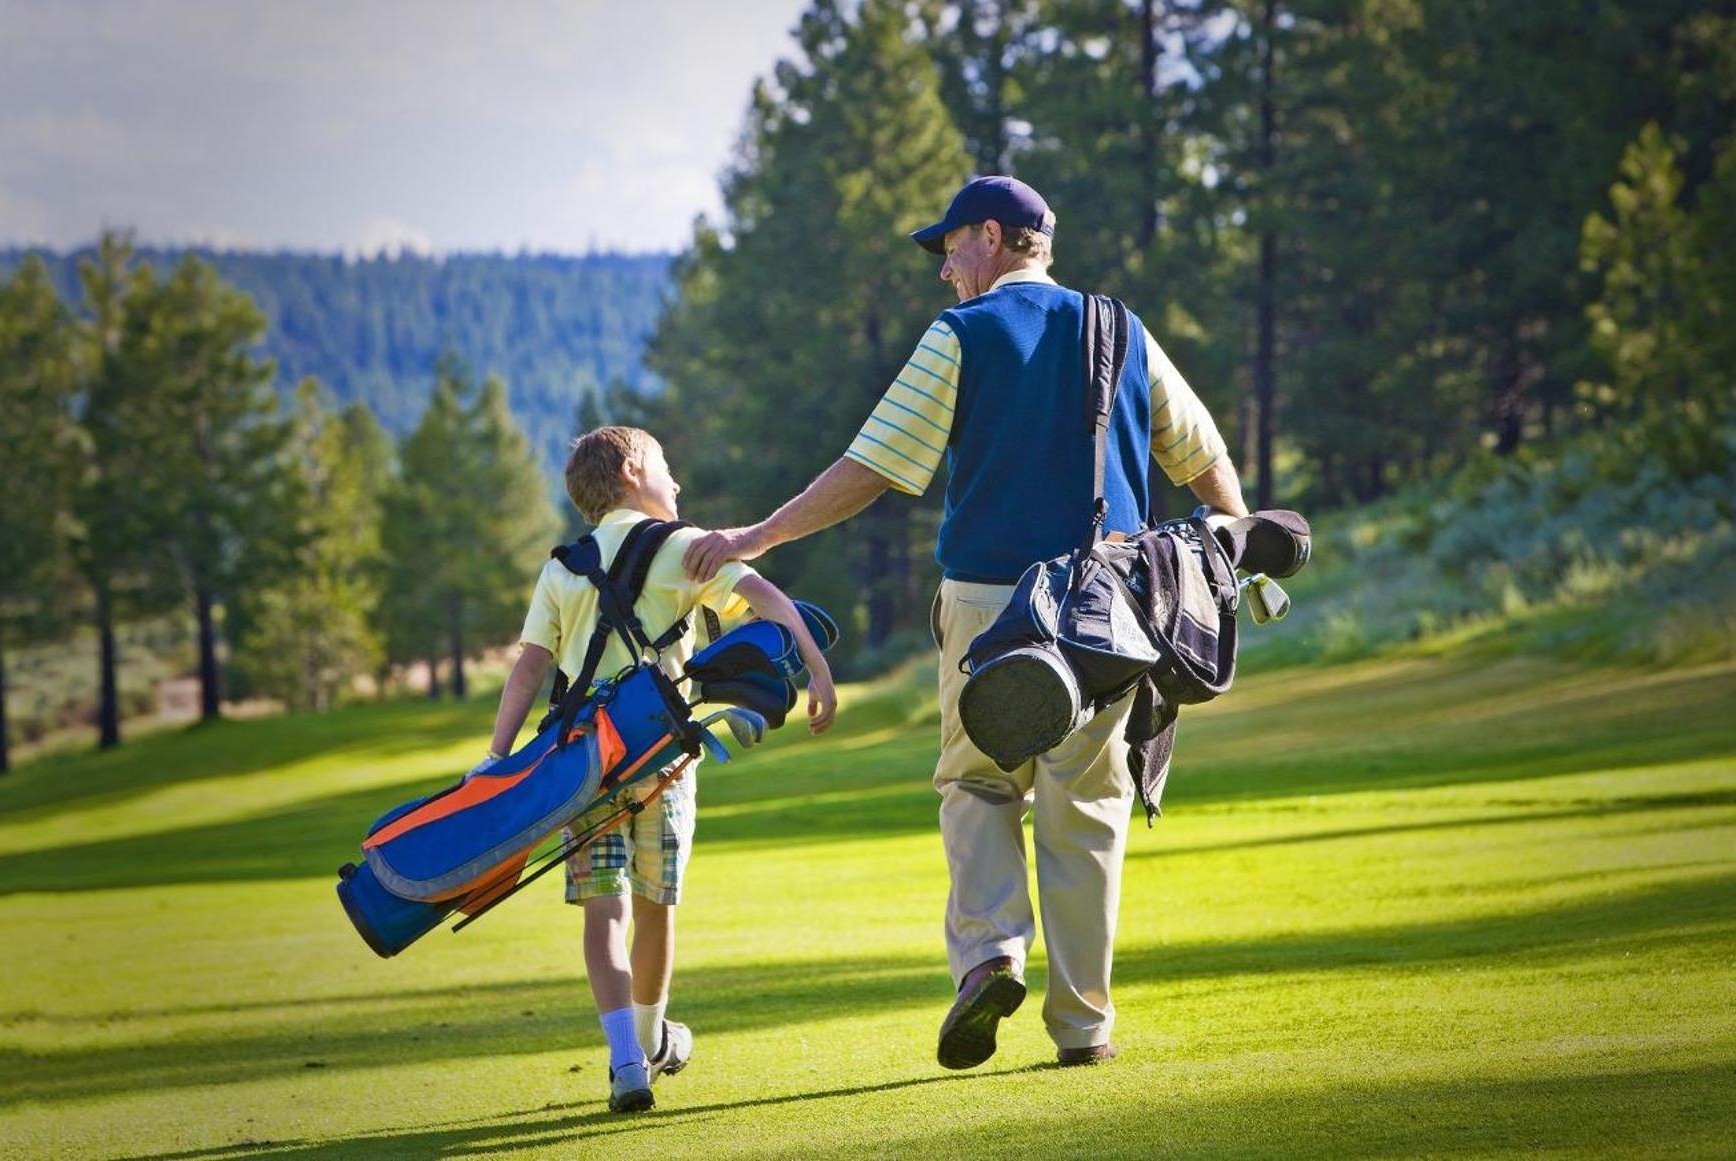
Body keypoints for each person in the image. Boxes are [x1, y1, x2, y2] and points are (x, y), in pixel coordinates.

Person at [682, 176, 1249, 1068]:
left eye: (950, 247)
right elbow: (1204, 455)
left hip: (994, 606)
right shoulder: (1121, 327)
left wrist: (758, 534)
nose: (945, 269)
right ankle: (1084, 1029)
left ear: (994, 236)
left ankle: (990, 953)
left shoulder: (962, 334)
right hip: (1113, 610)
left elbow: (870, 464)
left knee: (980, 783)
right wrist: (1228, 561)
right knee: (1087, 811)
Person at [479, 425, 837, 1113]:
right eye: (667, 470)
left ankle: (624, 1060)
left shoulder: (562, 565)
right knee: (656, 905)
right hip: (662, 761)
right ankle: (651, 1040)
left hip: (581, 762)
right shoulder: (681, 546)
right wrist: (816, 666)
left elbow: (529, 665)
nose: (676, 485)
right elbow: (763, 596)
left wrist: (496, 758)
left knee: (602, 911)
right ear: (636, 468)